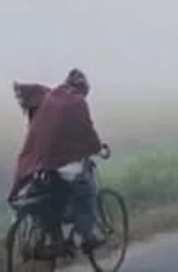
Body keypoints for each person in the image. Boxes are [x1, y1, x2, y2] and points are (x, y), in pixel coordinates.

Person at [9, 68, 108, 252]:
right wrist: (97, 148)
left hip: (42, 162)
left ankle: (56, 236)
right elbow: (87, 130)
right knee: (86, 190)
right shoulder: (77, 102)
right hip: (61, 161)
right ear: (83, 88)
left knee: (58, 194)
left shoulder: (50, 98)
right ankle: (85, 236)